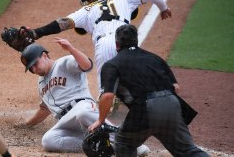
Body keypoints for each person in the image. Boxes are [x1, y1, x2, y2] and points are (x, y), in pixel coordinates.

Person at [20, 0, 172, 92]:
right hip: (127, 42)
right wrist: (164, 9)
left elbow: (62, 23)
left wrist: (36, 32)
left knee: (105, 89)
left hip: (105, 44)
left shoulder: (87, 9)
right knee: (132, 82)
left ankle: (106, 130)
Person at [88, 24, 210, 157]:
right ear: (136, 41)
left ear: (117, 44)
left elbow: (107, 96)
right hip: (172, 104)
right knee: (188, 150)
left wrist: (100, 120)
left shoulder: (112, 64)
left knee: (123, 142)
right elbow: (176, 88)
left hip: (146, 108)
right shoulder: (155, 58)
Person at [19, 38, 149, 155]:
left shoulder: (64, 62)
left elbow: (87, 65)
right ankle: (98, 145)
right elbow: (44, 109)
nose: (34, 70)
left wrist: (71, 49)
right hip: (66, 122)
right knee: (48, 140)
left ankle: (129, 144)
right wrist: (26, 125)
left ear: (44, 55)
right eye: (31, 68)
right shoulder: (41, 83)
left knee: (82, 112)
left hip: (83, 107)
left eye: (35, 64)